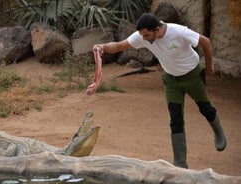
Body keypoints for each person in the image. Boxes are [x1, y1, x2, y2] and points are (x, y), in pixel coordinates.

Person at [93, 13, 227, 168]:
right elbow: (119, 45)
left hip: (193, 76)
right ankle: (180, 163)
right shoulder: (143, 35)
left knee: (206, 109)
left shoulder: (178, 32)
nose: (143, 39)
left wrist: (209, 66)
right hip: (172, 81)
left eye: (147, 35)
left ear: (157, 29)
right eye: (142, 35)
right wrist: (102, 47)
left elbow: (206, 42)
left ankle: (218, 131)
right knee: (175, 120)